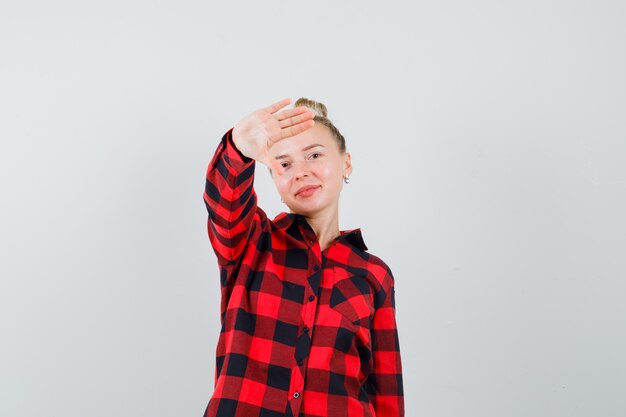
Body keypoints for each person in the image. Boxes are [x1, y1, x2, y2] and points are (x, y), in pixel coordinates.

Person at [202, 97, 404, 417]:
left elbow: (385, 392)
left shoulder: (374, 275)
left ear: (346, 163)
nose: (300, 172)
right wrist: (238, 149)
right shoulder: (251, 243)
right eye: (284, 164)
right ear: (276, 184)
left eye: (314, 155)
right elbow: (224, 204)